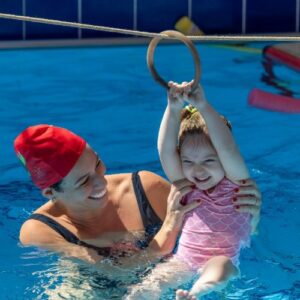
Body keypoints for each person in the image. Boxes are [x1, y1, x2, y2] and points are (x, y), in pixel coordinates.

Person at [14, 123, 260, 277]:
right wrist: (169, 228)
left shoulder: (144, 188)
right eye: (83, 181)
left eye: (98, 164)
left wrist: (251, 213)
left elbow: (221, 236)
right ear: (50, 193)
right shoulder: (40, 230)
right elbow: (114, 273)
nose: (102, 182)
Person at [126, 80, 260, 300]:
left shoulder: (236, 184)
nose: (198, 170)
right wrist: (172, 108)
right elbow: (166, 151)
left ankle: (194, 294)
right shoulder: (186, 185)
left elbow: (227, 147)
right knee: (151, 283)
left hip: (222, 258)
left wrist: (204, 106)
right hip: (184, 259)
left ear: (223, 160)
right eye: (188, 161)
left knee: (220, 267)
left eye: (209, 159)